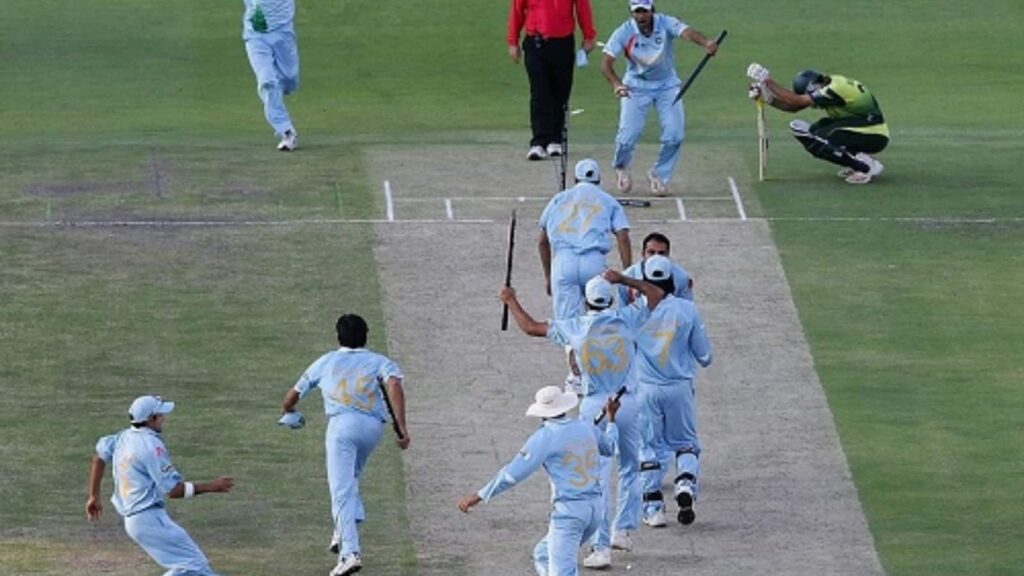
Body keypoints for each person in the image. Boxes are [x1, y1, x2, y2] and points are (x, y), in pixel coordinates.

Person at [500, 270, 663, 570]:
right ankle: (623, 529)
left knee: (598, 476)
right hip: (627, 402)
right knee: (630, 467)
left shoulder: (575, 326)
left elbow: (530, 327)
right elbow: (655, 294)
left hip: (593, 406)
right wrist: (624, 280)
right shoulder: (626, 318)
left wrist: (511, 301)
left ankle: (601, 547)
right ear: (610, 297)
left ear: (586, 302)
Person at [280, 313, 411, 576]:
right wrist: (402, 427)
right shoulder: (378, 361)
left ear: (338, 336)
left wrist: (290, 410)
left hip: (341, 427)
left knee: (340, 490)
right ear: (366, 335)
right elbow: (394, 384)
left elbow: (291, 396)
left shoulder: (326, 361)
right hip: (372, 429)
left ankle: (349, 553)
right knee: (350, 480)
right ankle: (345, 527)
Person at [458, 386, 620, 576]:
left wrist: (479, 495)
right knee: (542, 554)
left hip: (569, 514)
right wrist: (611, 419)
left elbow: (512, 474)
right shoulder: (585, 426)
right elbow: (610, 447)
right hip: (595, 511)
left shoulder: (546, 436)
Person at [86, 395, 235, 576]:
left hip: (137, 520)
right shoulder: (151, 445)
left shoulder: (121, 438)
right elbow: (173, 490)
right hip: (148, 518)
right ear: (150, 419)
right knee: (192, 565)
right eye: (160, 415)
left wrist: (94, 496)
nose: (164, 418)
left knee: (197, 567)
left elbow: (98, 458)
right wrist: (212, 486)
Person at [600, 0, 719, 196]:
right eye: (637, 12)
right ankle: (621, 167)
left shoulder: (665, 22)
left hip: (667, 86)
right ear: (632, 13)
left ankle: (659, 174)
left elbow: (687, 32)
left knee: (674, 134)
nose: (641, 16)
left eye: (644, 12)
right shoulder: (624, 31)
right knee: (628, 136)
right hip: (635, 87)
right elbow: (606, 63)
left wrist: (706, 42)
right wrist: (617, 84)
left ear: (651, 11)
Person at [628, 255, 712, 528]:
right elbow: (705, 356)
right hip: (679, 388)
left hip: (646, 390)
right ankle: (685, 483)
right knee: (686, 443)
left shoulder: (635, 312)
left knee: (649, 447)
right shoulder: (687, 310)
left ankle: (653, 508)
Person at [539, 158, 632, 394]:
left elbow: (542, 240)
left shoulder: (559, 199)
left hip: (563, 262)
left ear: (575, 179)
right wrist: (627, 274)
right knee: (598, 313)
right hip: (594, 261)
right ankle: (600, 367)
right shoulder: (609, 201)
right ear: (598, 179)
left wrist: (549, 275)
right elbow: (623, 236)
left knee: (568, 323)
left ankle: (575, 375)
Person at [747, 63, 890, 184]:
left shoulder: (835, 89)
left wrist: (768, 81)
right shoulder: (829, 84)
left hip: (874, 134)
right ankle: (858, 160)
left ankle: (865, 167)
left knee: (820, 137)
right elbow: (794, 107)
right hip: (865, 129)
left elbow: (796, 101)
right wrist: (767, 98)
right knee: (817, 130)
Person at [507, 0, 598, 160]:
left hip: (562, 43)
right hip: (536, 42)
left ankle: (556, 140)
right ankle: (539, 142)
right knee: (539, 92)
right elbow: (517, 9)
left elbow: (582, 6)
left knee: (561, 92)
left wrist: (588, 35)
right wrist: (513, 41)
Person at [243, 0, 300, 151]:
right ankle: (286, 131)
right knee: (267, 82)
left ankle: (280, 88)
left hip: (283, 34)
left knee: (290, 78)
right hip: (255, 37)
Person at [619, 231, 693, 305]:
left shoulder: (681, 277)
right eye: (651, 252)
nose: (656, 257)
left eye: (661, 253)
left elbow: (686, 307)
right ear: (643, 253)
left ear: (668, 255)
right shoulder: (627, 276)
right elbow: (622, 308)